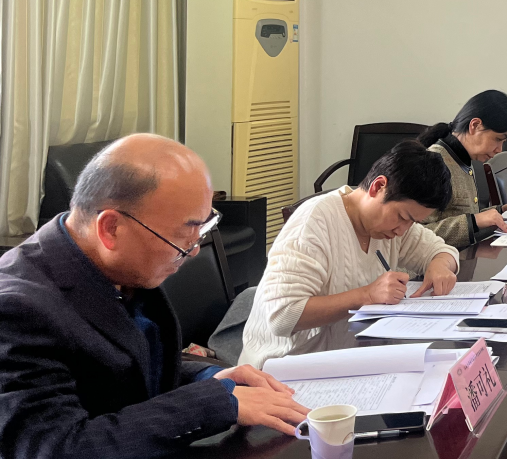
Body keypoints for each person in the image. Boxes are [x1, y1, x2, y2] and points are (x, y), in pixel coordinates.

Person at [0, 134, 309, 459]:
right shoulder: (17, 310)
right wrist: (211, 404)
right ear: (111, 228)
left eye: (202, 227)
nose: (193, 250)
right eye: (182, 235)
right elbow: (59, 447)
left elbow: (122, 373)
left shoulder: (117, 262)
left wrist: (208, 379)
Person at [240, 141, 460, 367]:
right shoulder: (315, 223)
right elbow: (282, 315)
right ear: (378, 187)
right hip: (287, 368)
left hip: (347, 361)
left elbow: (442, 250)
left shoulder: (389, 226)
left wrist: (440, 265)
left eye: (413, 222)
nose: (402, 230)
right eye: (403, 217)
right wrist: (366, 296)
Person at [417, 90, 507, 248]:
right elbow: (414, 235)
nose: (499, 149)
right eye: (498, 139)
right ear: (475, 125)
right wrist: (475, 221)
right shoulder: (433, 164)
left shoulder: (461, 159)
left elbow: (458, 216)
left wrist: (500, 211)